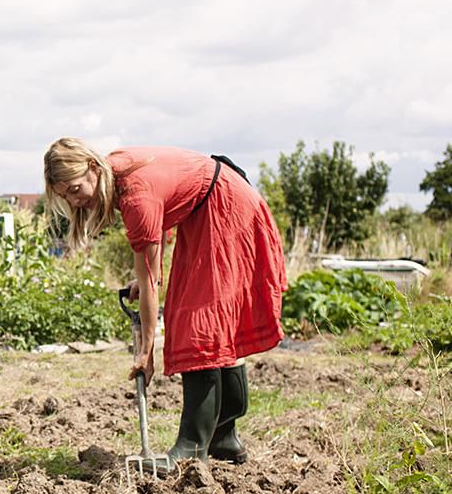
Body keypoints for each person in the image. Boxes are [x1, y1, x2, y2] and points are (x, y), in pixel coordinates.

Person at [42, 138, 287, 466]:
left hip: (225, 207)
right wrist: (147, 279)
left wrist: (146, 352)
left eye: (75, 189)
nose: (75, 200)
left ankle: (191, 448)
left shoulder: (134, 193)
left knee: (201, 323)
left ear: (92, 168)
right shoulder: (116, 175)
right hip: (205, 208)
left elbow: (150, 283)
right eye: (65, 196)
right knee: (203, 319)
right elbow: (156, 244)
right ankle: (224, 439)